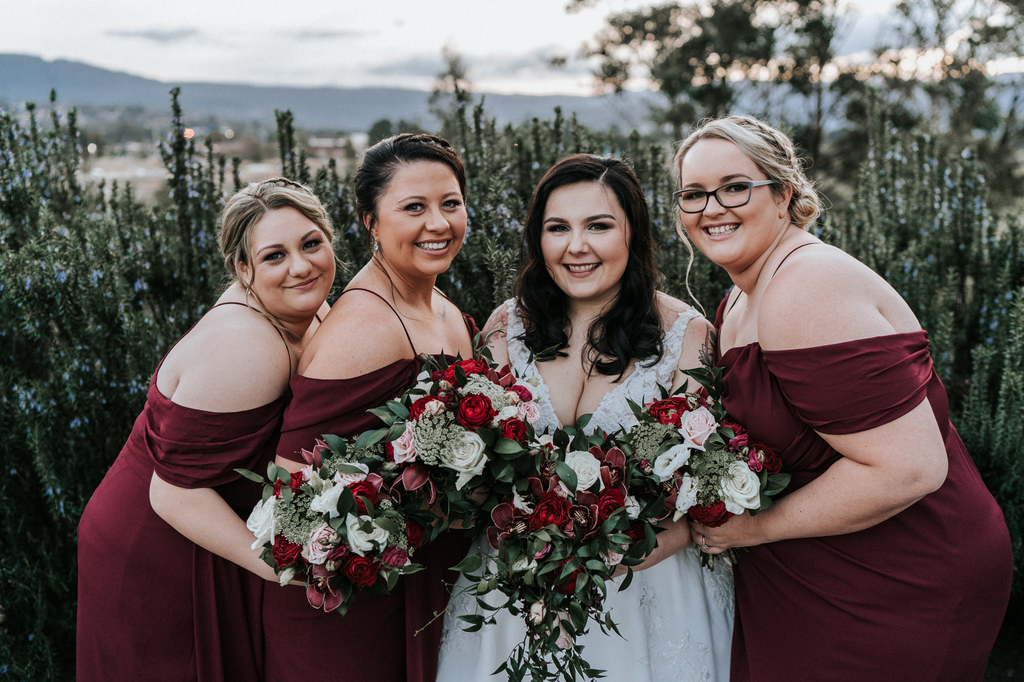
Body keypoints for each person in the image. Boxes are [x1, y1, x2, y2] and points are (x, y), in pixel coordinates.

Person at [675, 115, 1012, 681]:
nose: (712, 208)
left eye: (735, 187)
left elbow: (910, 469)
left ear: (783, 194)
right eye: (694, 194)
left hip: (896, 576)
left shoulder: (807, 286)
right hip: (808, 571)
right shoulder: (739, 296)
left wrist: (753, 529)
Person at [437, 154, 734, 682]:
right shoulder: (506, 326)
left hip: (647, 590)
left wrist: (615, 555)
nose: (577, 246)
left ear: (633, 233)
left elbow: (699, 491)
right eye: (558, 228)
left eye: (598, 226)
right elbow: (480, 475)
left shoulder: (686, 337)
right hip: (515, 591)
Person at [77, 177, 335, 681]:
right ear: (243, 268)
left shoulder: (310, 305)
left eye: (311, 243)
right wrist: (288, 568)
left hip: (215, 528)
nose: (301, 266)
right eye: (274, 256)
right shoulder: (247, 347)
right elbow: (172, 494)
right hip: (157, 547)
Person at [264, 133, 476, 682]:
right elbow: (291, 499)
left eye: (450, 203)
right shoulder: (362, 329)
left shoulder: (442, 307)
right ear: (371, 223)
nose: (438, 223)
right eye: (414, 208)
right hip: (348, 615)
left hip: (421, 588)